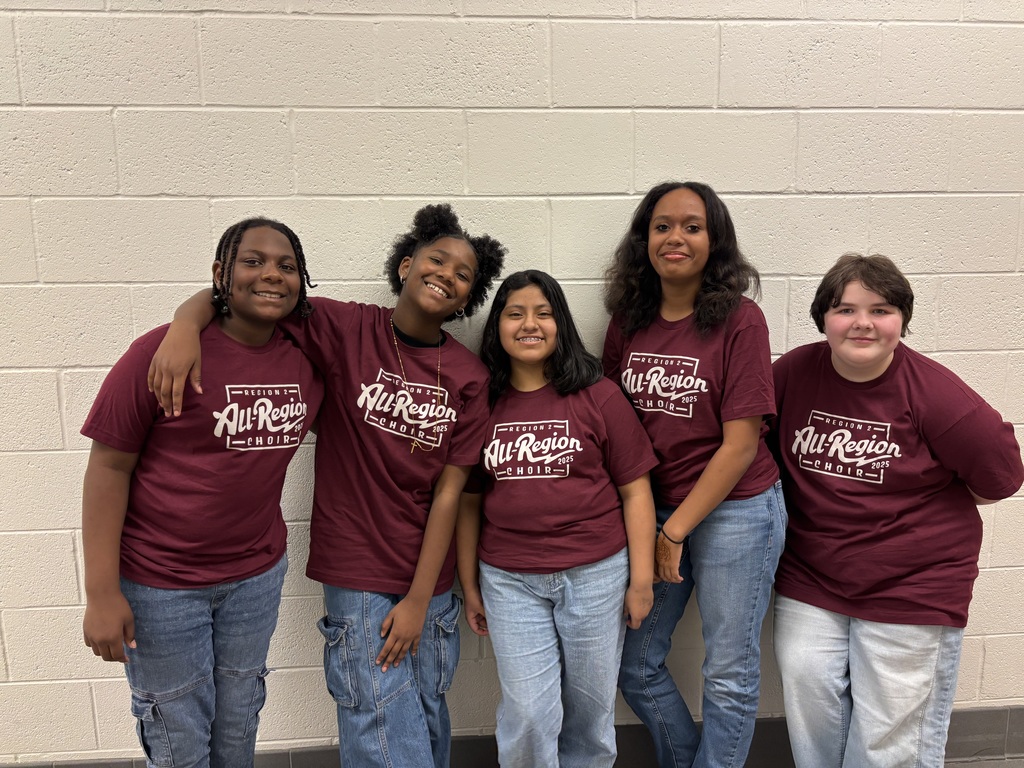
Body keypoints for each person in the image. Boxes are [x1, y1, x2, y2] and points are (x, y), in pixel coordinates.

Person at [147, 204, 505, 768]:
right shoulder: (346, 328)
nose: (447, 275)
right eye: (437, 260)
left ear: (469, 298)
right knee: (379, 722)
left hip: (430, 581)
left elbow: (450, 492)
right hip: (357, 566)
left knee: (426, 712)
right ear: (406, 265)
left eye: (464, 275)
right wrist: (184, 323)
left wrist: (419, 597)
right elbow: (252, 297)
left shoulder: (470, 377)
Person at [81, 218, 323, 768]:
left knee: (238, 725)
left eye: (287, 266)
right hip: (160, 586)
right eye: (253, 261)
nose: (272, 274)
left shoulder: (307, 356)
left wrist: (189, 313)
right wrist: (100, 591)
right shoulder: (159, 354)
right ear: (221, 273)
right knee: (179, 737)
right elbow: (109, 469)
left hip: (255, 579)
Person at [770, 253, 1024, 767]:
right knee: (810, 705)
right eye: (845, 309)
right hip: (812, 577)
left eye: (881, 310)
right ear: (823, 318)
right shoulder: (793, 372)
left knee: (886, 738)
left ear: (902, 320)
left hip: (913, 585)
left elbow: (1001, 477)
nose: (862, 323)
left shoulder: (936, 394)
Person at [604, 181, 786, 768]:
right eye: (661, 226)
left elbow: (740, 445)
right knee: (635, 665)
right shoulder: (628, 320)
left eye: (692, 226)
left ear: (715, 241)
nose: (675, 238)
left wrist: (674, 531)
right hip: (656, 508)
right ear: (645, 240)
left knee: (729, 671)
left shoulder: (741, 321)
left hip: (738, 510)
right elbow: (612, 423)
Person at [456, 269, 657, 768]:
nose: (530, 324)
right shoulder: (483, 403)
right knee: (527, 713)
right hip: (509, 581)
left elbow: (636, 492)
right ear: (497, 326)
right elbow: (468, 501)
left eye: (543, 313)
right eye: (515, 313)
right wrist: (471, 585)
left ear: (560, 323)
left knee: (589, 714)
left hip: (596, 576)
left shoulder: (599, 396)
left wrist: (641, 581)